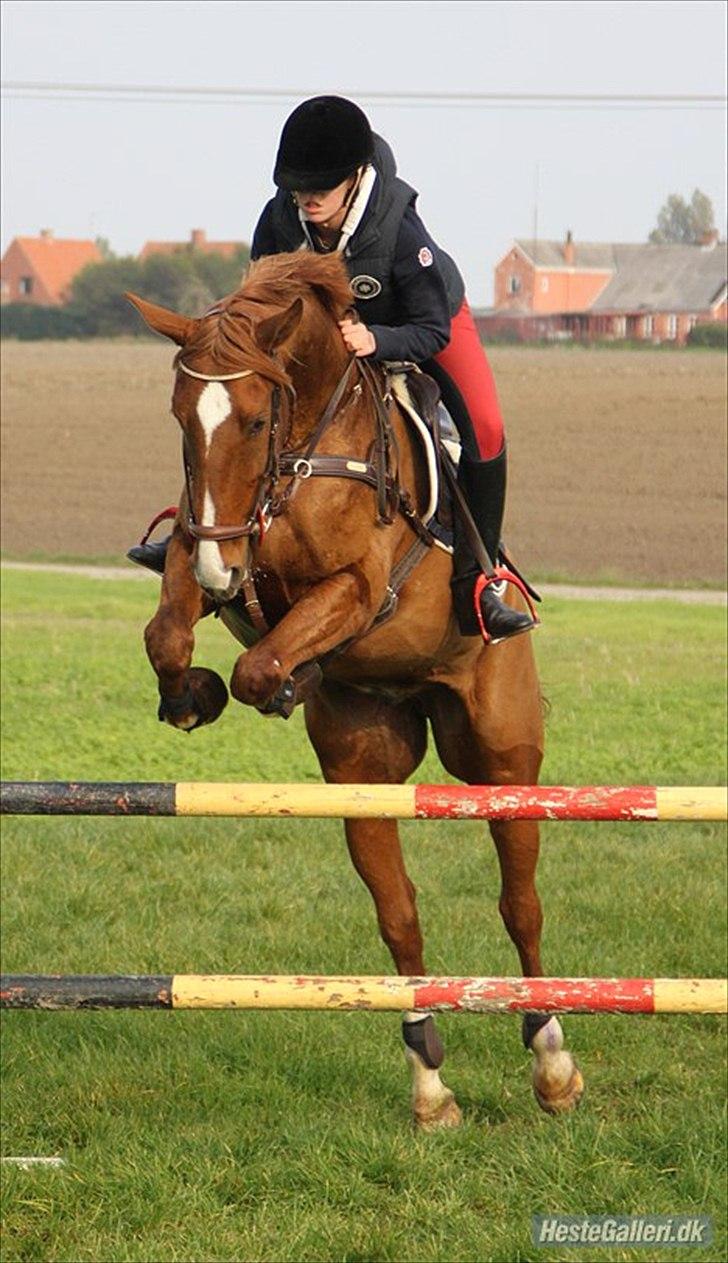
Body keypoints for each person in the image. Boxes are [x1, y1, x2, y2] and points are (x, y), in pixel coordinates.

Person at [129, 95, 534, 644]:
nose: (308, 198)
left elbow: (431, 326)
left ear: (355, 178)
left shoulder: (398, 227)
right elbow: (257, 303)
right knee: (233, 410)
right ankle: (193, 534)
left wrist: (377, 338)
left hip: (419, 321)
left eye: (321, 188)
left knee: (483, 425)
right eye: (299, 187)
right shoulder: (278, 220)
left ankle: (480, 580)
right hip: (328, 343)